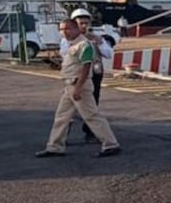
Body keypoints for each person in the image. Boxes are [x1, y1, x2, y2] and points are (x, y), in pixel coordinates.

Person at [35, 20, 121, 158]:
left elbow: (86, 68)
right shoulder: (71, 45)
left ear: (76, 29)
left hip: (79, 85)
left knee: (91, 116)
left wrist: (78, 88)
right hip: (69, 85)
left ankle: (111, 144)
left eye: (67, 29)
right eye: (62, 29)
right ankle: (55, 147)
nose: (64, 32)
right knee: (61, 117)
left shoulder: (84, 45)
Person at [62, 8, 113, 144]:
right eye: (80, 23)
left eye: (86, 23)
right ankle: (62, 137)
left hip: (94, 75)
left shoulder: (96, 38)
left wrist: (100, 43)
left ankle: (92, 134)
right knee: (69, 110)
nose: (84, 26)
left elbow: (108, 53)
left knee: (92, 106)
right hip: (74, 77)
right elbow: (64, 54)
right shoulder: (68, 40)